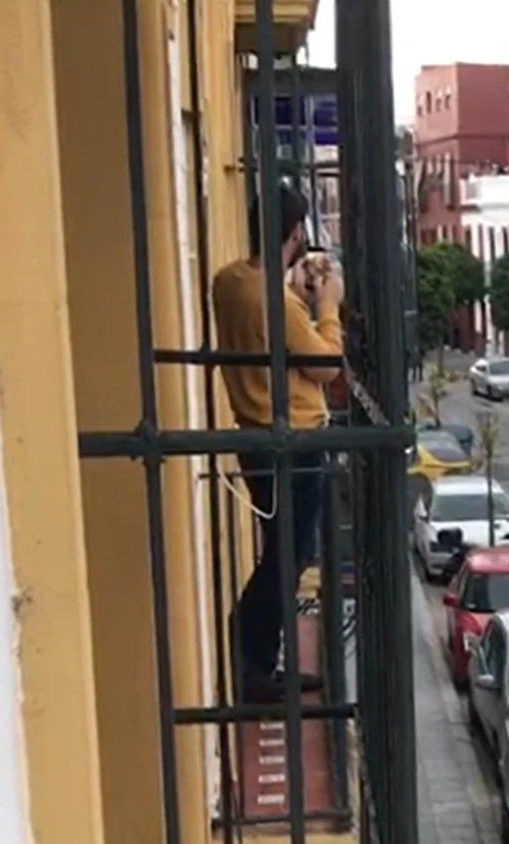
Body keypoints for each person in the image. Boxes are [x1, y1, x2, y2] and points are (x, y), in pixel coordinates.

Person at [211, 182, 346, 703]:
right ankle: (253, 659)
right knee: (291, 556)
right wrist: (327, 306)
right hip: (296, 440)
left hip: (254, 436)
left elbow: (266, 327)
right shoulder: (277, 302)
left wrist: (291, 289)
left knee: (281, 552)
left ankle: (257, 658)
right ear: (295, 233)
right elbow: (325, 365)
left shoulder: (230, 283)